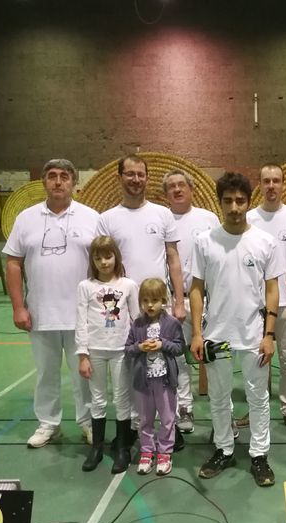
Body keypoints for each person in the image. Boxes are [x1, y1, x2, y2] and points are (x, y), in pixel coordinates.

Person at [190, 172, 285, 487]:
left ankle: (259, 455)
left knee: (258, 397)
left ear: (248, 202)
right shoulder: (204, 242)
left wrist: (269, 335)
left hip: (253, 336)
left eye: (240, 201)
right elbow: (196, 289)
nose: (234, 207)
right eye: (228, 201)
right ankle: (224, 448)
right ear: (219, 203)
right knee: (218, 396)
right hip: (217, 337)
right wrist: (197, 333)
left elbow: (272, 290)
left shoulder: (265, 242)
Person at [3, 158, 98, 448]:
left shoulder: (92, 218)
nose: (58, 181)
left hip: (82, 314)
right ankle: (48, 423)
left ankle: (88, 422)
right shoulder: (26, 218)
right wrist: (18, 307)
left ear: (74, 182)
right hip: (40, 312)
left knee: (84, 374)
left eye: (65, 176)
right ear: (44, 181)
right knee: (45, 373)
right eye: (52, 176)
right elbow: (13, 263)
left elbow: (105, 263)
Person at [95, 154, 186, 444]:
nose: (136, 179)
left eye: (140, 174)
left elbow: (173, 258)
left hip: (159, 305)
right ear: (119, 177)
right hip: (124, 308)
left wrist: (179, 301)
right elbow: (102, 264)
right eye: (130, 174)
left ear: (147, 177)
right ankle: (136, 426)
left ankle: (171, 426)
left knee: (168, 365)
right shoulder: (107, 219)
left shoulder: (162, 214)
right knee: (132, 366)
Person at [236, 163, 286, 434]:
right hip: (256, 304)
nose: (271, 186)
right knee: (258, 358)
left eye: (276, 180)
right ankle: (258, 407)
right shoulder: (249, 218)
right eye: (266, 181)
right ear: (260, 184)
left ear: (283, 184)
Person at [75, 236, 139, 473]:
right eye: (98, 258)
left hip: (121, 352)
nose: (104, 262)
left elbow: (137, 320)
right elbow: (81, 322)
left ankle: (122, 447)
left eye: (108, 256)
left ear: (116, 257)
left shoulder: (128, 285)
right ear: (92, 260)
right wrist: (83, 355)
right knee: (98, 400)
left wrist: (138, 349)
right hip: (95, 352)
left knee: (122, 399)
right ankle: (97, 448)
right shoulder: (85, 287)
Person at [163, 169, 220, 434]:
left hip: (208, 300)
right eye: (171, 186)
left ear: (191, 188)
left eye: (181, 185)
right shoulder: (162, 219)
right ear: (166, 193)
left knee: (216, 356)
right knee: (178, 358)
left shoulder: (208, 219)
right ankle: (184, 407)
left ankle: (224, 410)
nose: (177, 190)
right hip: (174, 301)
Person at [125, 278, 185, 476]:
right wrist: (140, 347)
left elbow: (179, 347)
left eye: (154, 300)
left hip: (165, 381)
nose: (150, 305)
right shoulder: (137, 324)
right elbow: (128, 349)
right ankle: (147, 451)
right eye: (145, 301)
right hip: (144, 382)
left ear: (163, 301)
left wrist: (162, 344)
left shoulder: (172, 323)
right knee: (145, 418)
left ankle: (165, 452)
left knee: (167, 418)